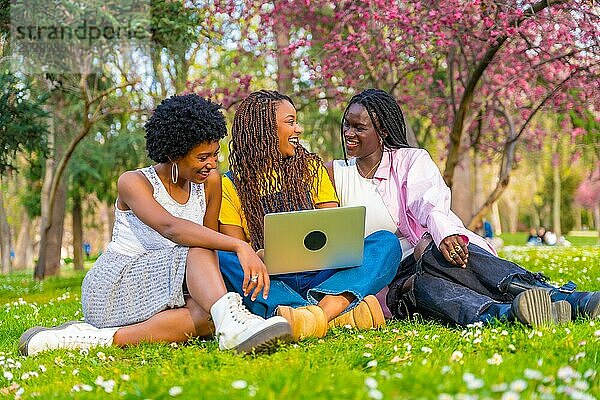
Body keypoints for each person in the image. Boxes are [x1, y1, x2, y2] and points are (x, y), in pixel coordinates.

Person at [18, 94, 291, 356]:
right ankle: (232, 323)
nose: (211, 164)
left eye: (214, 154)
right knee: (196, 248)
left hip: (173, 281)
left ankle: (89, 339)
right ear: (175, 154)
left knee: (208, 318)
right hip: (118, 284)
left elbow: (209, 241)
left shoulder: (211, 182)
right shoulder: (133, 182)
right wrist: (238, 244)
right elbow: (171, 228)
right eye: (202, 157)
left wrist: (254, 254)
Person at [326, 88, 600, 326]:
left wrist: (444, 233)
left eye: (359, 127)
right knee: (420, 284)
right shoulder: (336, 174)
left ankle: (551, 302)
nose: (349, 133)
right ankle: (514, 312)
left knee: (434, 254)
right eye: (347, 125)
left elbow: (428, 200)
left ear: (383, 130)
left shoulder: (410, 160)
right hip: (388, 281)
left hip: (432, 256)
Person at [217, 90, 402, 340]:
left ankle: (311, 316)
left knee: (386, 243)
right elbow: (238, 248)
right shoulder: (230, 185)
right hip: (272, 280)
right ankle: (338, 314)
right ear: (265, 128)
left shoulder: (310, 169)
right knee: (222, 257)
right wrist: (260, 255)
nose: (298, 130)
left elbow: (334, 230)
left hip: (322, 274)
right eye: (290, 122)